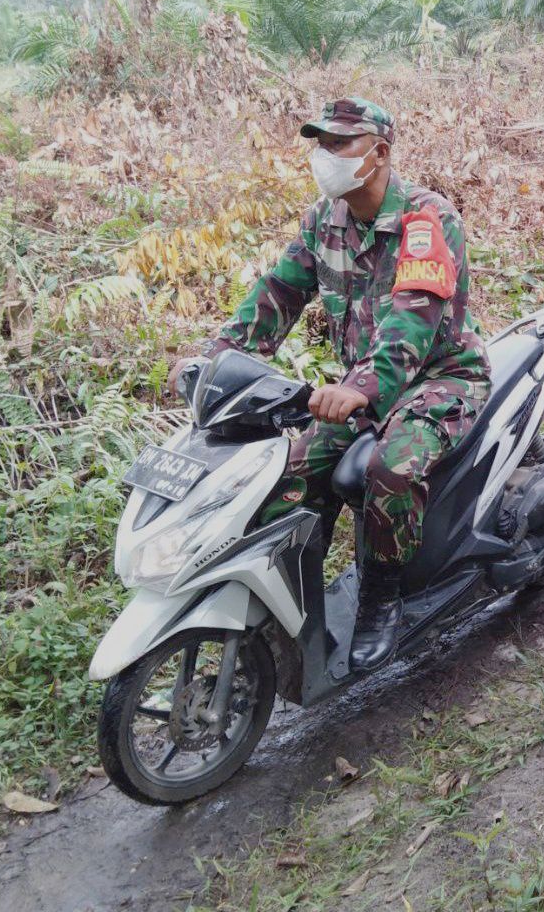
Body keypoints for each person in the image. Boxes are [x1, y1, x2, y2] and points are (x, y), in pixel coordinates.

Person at [170, 97, 491, 671]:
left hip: (440, 377)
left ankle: (380, 600)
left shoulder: (427, 219)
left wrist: (362, 388)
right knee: (287, 475)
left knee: (389, 470)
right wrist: (214, 359)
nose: (327, 155)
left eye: (340, 143)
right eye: (321, 144)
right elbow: (276, 296)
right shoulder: (325, 221)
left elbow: (412, 320)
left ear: (380, 152)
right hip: (359, 389)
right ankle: (298, 611)